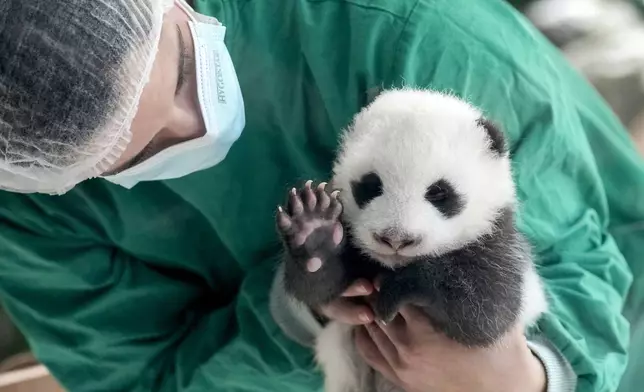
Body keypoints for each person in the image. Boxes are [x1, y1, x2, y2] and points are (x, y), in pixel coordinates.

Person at [0, 0, 643, 391]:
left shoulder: (396, 30)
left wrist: (528, 378)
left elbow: (586, 257)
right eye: (136, 156)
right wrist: (302, 308)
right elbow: (141, 380)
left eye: (184, 71)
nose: (192, 126)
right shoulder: (30, 215)